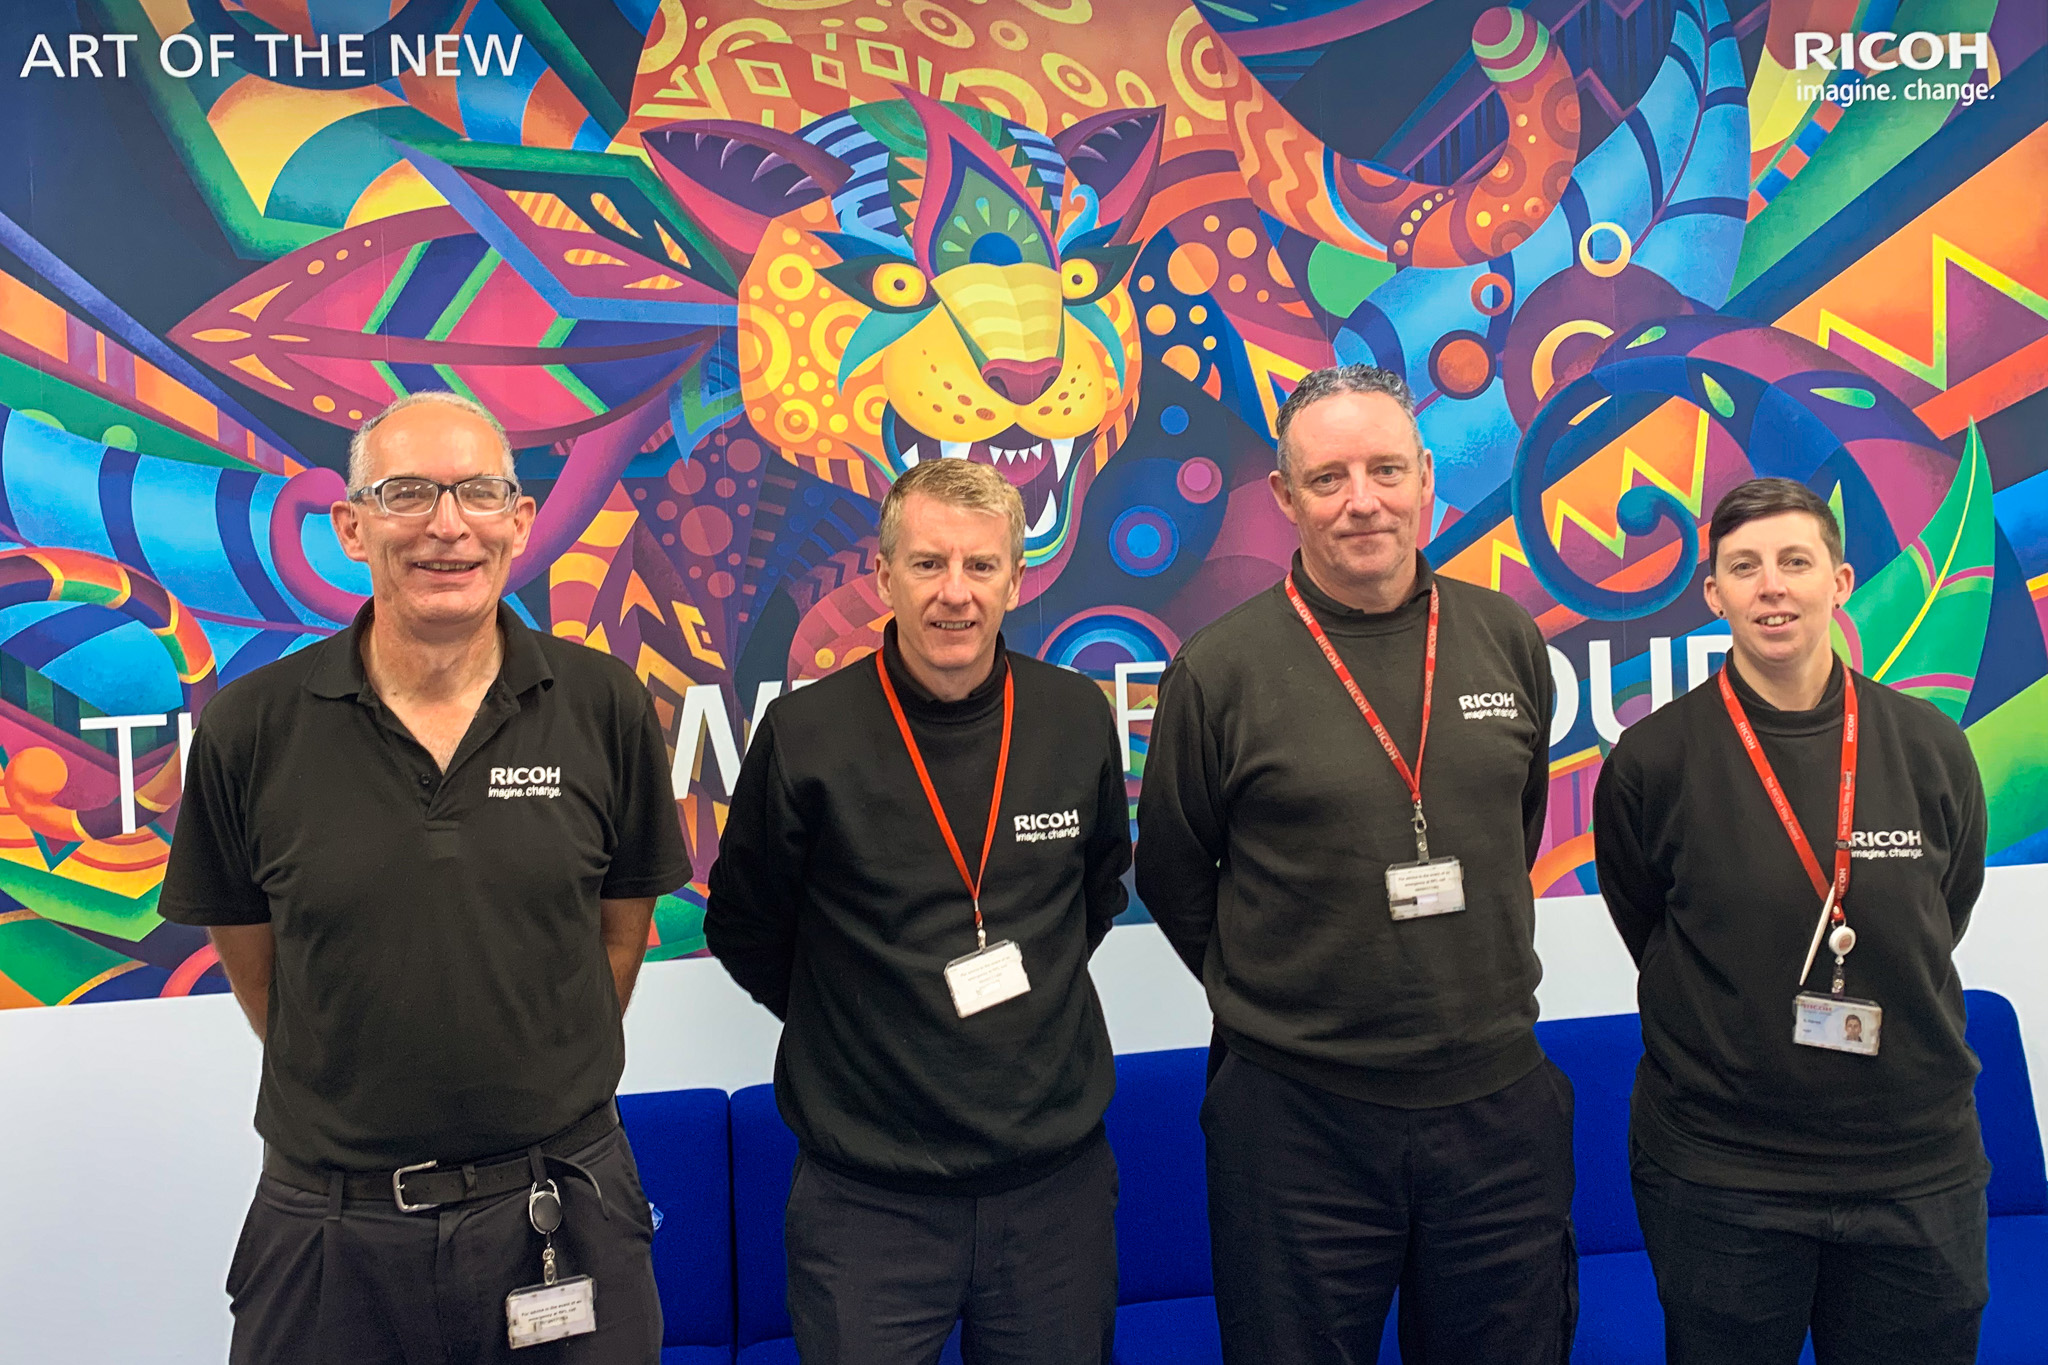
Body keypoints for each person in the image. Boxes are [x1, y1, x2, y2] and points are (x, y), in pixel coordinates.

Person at [159, 391, 692, 1363]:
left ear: (520, 522)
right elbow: (253, 957)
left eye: (478, 493)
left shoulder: (603, 703)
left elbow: (621, 933)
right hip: (332, 1235)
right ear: (351, 526)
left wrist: (524, 1071)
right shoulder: (251, 727)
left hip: (561, 1213)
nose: (447, 526)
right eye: (407, 493)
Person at [1136, 364, 1571, 1363]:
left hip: (1495, 1106)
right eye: (1327, 479)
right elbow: (1171, 870)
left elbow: (1513, 826)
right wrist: (1284, 990)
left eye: (1384, 470)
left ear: (1426, 478)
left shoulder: (1503, 637)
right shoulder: (1218, 669)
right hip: (1296, 1121)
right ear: (1285, 498)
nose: (1361, 501)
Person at [704, 458, 1132, 1365]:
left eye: (981, 567)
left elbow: (1095, 892)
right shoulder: (807, 733)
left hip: (1052, 1193)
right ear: (884, 573)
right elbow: (744, 925)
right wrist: (870, 1018)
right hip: (869, 1203)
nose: (955, 594)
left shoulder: (1073, 716)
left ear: (1017, 578)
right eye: (929, 564)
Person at [1593, 477, 1990, 1364]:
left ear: (1840, 582)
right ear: (1714, 593)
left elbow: (1943, 911)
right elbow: (1648, 925)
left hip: (1913, 1168)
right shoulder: (1652, 760)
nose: (1771, 585)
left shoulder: (1929, 744)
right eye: (1745, 566)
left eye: (1795, 561)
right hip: (1725, 1175)